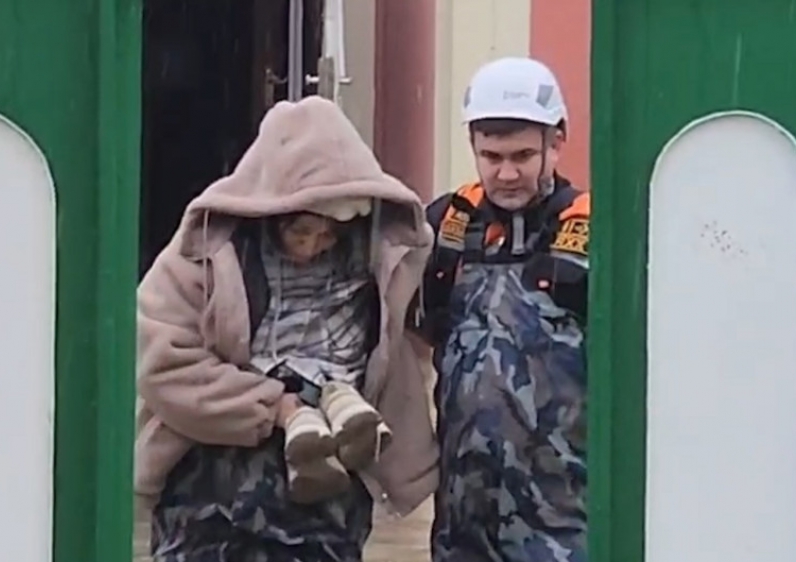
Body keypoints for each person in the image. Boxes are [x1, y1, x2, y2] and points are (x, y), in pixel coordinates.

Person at [135, 96, 438, 562]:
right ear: (270, 214)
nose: (313, 247)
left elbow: (390, 364)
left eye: (329, 235)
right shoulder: (207, 257)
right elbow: (161, 364)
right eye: (300, 232)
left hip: (326, 495)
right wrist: (274, 406)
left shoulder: (372, 269)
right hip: (211, 490)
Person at [409, 57, 591, 561]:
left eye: (523, 156)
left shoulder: (593, 229)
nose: (506, 174)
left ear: (557, 141)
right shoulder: (445, 225)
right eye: (490, 156)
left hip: (563, 518)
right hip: (463, 519)